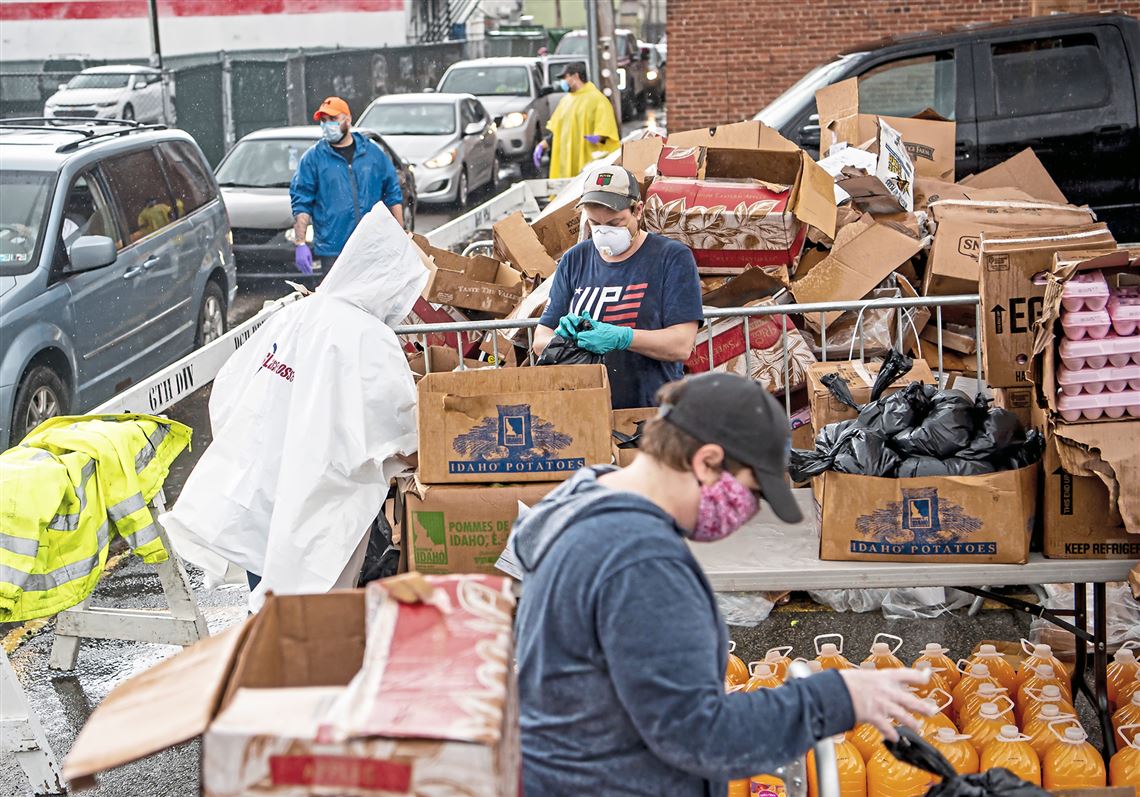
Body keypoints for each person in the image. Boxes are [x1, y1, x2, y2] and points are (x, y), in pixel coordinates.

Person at [508, 373, 934, 795]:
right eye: (749, 490)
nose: (746, 511)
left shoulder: (582, 503)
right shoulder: (641, 561)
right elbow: (698, 734)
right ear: (707, 461)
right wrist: (835, 699)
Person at [161, 203, 426, 610]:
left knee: (265, 580)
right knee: (309, 606)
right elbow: (400, 427)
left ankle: (264, 640)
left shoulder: (295, 314)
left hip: (259, 482)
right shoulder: (371, 338)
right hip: (320, 498)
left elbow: (231, 385)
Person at [533, 165, 702, 409]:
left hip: (650, 410)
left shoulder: (671, 257)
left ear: (638, 210)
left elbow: (681, 344)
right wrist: (565, 340)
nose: (604, 232)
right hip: (585, 409)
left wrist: (623, 337)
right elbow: (541, 339)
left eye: (615, 222)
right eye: (595, 223)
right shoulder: (575, 259)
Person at [290, 96, 404, 276]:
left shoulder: (372, 153)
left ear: (348, 120)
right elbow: (302, 202)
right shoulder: (313, 159)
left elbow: (392, 194)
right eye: (323, 120)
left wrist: (401, 235)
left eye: (333, 119)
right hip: (334, 252)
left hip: (373, 247)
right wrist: (301, 243)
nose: (327, 125)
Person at [533, 63, 620, 179]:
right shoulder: (565, 101)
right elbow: (557, 131)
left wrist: (599, 137)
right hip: (565, 166)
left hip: (588, 165)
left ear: (575, 76)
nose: (563, 82)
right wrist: (542, 145)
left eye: (565, 77)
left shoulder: (597, 99)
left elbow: (607, 131)